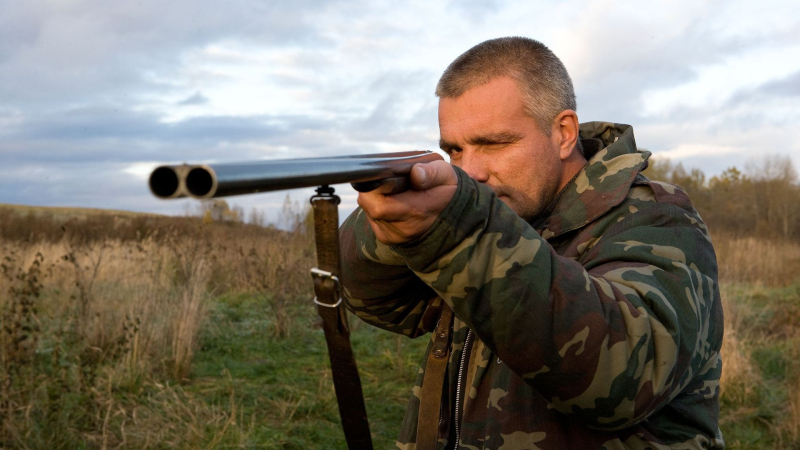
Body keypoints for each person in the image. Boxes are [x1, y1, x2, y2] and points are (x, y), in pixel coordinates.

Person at [339, 37, 724, 450]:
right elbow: (372, 299)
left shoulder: (658, 218)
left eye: (493, 143)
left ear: (563, 133)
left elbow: (625, 374)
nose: (471, 171)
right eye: (454, 150)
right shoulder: (492, 217)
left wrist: (461, 229)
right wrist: (397, 220)